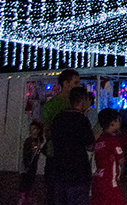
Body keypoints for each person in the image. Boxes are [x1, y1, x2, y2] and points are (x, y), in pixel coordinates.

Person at [41, 69, 80, 205]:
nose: (78, 86)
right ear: (65, 83)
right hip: (56, 156)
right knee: (55, 194)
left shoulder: (75, 104)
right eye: (75, 83)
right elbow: (46, 132)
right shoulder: (52, 105)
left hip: (72, 156)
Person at [50, 86, 95, 205]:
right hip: (78, 172)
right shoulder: (82, 120)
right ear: (82, 101)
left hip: (59, 170)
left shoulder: (58, 118)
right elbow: (90, 144)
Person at [92, 108, 127, 205]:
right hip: (109, 181)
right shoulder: (112, 140)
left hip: (98, 179)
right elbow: (120, 160)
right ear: (112, 122)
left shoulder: (100, 140)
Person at [18, 120, 45, 205]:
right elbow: (25, 153)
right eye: (31, 129)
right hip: (27, 164)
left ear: (38, 130)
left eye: (34, 129)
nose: (31, 131)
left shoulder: (39, 141)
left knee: (31, 181)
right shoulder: (28, 141)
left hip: (33, 165)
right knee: (24, 181)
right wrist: (27, 164)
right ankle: (22, 197)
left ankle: (28, 197)